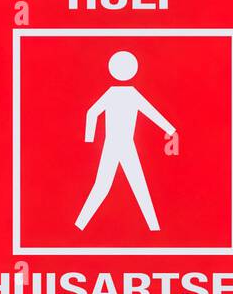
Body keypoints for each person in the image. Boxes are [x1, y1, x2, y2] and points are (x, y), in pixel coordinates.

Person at [74, 50, 175, 232]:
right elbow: (92, 112)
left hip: (121, 145)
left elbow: (92, 112)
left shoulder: (119, 93)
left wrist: (169, 129)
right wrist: (170, 129)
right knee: (115, 185)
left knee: (123, 184)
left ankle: (154, 228)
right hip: (116, 145)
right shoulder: (125, 94)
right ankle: (80, 224)